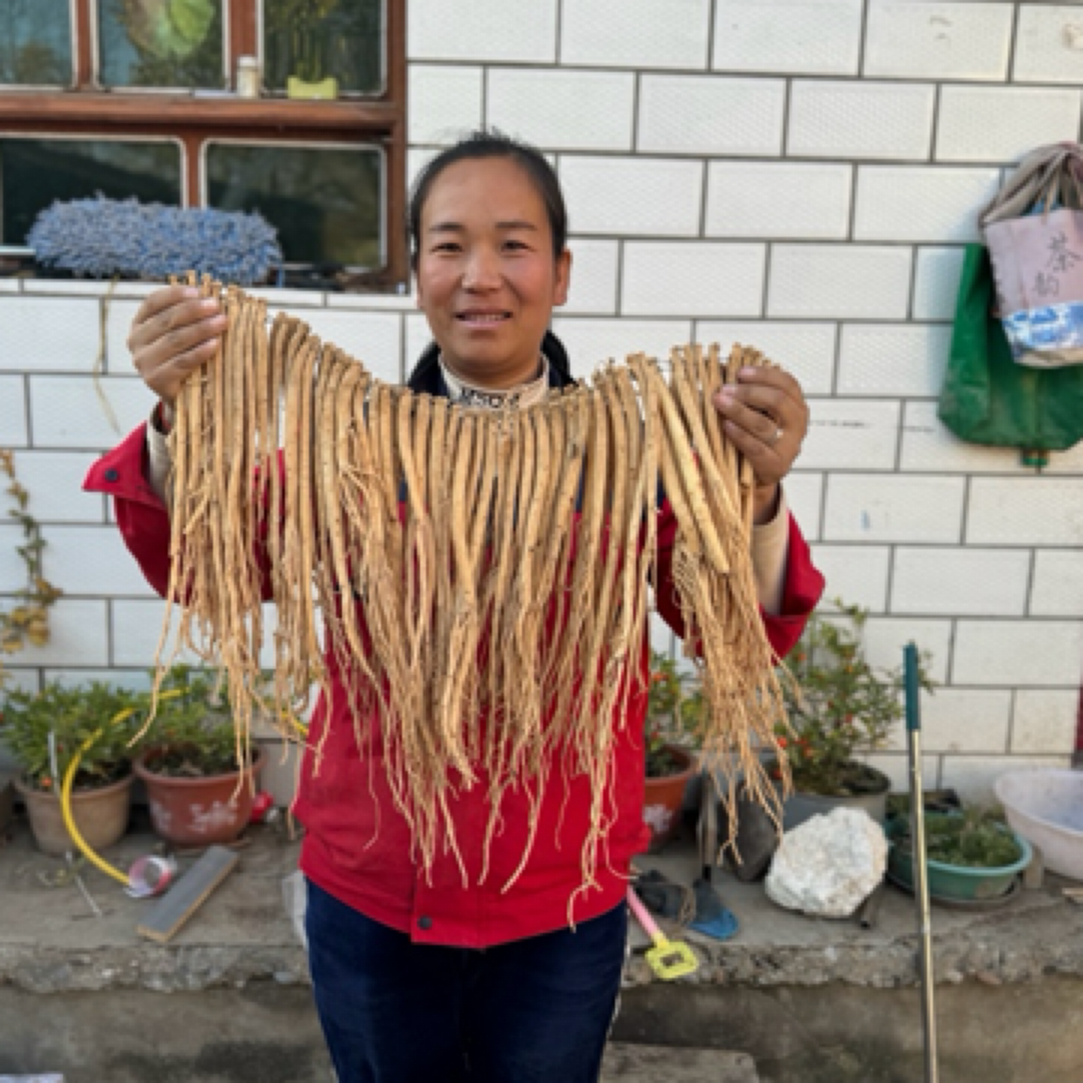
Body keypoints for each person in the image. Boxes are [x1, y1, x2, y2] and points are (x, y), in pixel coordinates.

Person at [84, 130, 824, 1083]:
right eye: (448, 245)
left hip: (562, 895)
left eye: (513, 245)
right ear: (416, 270)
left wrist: (755, 492)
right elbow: (204, 560)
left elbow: (742, 629)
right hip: (372, 886)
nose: (481, 274)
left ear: (560, 273)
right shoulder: (343, 445)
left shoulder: (638, 455)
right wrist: (179, 418)